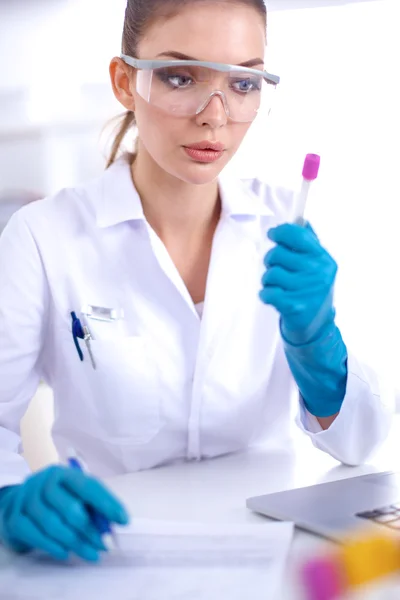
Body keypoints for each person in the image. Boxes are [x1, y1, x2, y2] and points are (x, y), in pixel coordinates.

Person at [0, 0, 393, 564]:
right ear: (124, 80)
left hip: (270, 555)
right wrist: (8, 499)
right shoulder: (42, 238)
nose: (216, 115)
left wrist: (319, 350)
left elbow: (358, 447)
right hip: (111, 551)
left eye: (243, 83)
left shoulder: (287, 228)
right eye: (180, 76)